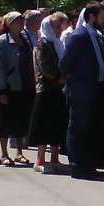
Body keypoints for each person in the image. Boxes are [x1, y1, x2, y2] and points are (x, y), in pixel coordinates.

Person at [60, 3, 104, 179]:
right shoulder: (79, 35)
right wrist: (74, 78)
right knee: (77, 129)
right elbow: (64, 64)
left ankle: (88, 165)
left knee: (87, 130)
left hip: (93, 89)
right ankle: (77, 166)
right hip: (80, 90)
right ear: (91, 16)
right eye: (101, 18)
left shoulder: (95, 35)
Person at [28, 12, 69, 173]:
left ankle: (54, 159)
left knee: (56, 126)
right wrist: (60, 77)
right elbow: (45, 69)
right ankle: (39, 160)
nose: (59, 29)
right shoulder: (41, 44)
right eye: (56, 26)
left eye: (60, 26)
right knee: (43, 127)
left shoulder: (57, 43)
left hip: (58, 91)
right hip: (45, 90)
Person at [0, 12, 33, 166]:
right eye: (17, 20)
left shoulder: (25, 39)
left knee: (20, 121)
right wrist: (1, 90)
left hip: (24, 86)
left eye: (22, 20)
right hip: (8, 87)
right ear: (9, 23)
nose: (21, 23)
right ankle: (4, 154)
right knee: (5, 122)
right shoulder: (2, 41)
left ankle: (19, 152)